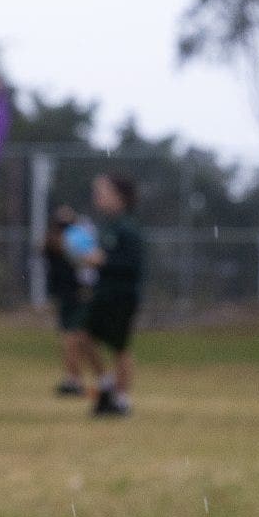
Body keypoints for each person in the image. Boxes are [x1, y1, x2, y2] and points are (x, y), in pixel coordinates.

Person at [76, 172, 143, 418]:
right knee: (83, 335)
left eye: (102, 191)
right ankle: (106, 383)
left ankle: (122, 399)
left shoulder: (127, 229)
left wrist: (103, 261)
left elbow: (131, 265)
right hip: (103, 293)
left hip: (121, 296)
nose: (97, 196)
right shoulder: (108, 227)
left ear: (120, 197)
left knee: (119, 346)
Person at [43, 206, 90, 396]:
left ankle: (74, 378)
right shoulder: (63, 242)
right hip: (72, 293)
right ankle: (73, 378)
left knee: (72, 335)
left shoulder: (56, 241)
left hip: (70, 294)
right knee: (72, 336)